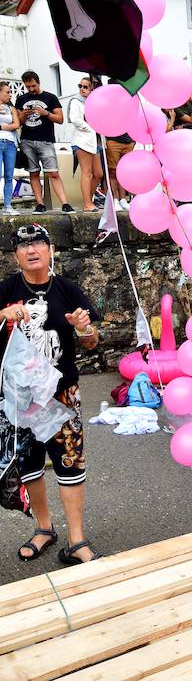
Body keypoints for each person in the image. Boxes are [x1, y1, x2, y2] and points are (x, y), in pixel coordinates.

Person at [0, 223, 100, 563]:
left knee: (69, 463)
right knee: (28, 465)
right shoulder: (6, 290)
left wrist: (84, 328)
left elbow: (92, 340)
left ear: (50, 250)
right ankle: (44, 528)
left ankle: (76, 540)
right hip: (20, 398)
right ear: (15, 255)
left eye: (38, 244)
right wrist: (3, 314)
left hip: (62, 394)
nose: (31, 250)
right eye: (23, 246)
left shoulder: (69, 290)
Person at [15, 71, 74, 213]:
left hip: (46, 140)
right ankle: (40, 204)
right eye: (28, 86)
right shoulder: (21, 99)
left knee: (53, 173)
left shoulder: (50, 97)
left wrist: (45, 113)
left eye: (33, 86)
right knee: (33, 173)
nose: (31, 89)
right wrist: (23, 115)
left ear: (38, 82)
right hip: (27, 140)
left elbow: (60, 119)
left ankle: (65, 204)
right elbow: (18, 123)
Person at [69, 78, 104, 213]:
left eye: (86, 87)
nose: (82, 89)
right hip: (82, 141)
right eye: (80, 86)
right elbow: (75, 119)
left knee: (98, 173)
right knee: (87, 172)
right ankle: (88, 204)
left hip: (93, 143)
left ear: (92, 90)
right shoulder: (76, 101)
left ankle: (88, 200)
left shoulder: (93, 104)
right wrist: (90, 128)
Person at [0, 80, 20, 215]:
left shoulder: (10, 108)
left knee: (9, 175)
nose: (10, 95)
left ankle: (7, 205)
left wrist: (1, 127)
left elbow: (16, 124)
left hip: (10, 143)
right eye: (7, 92)